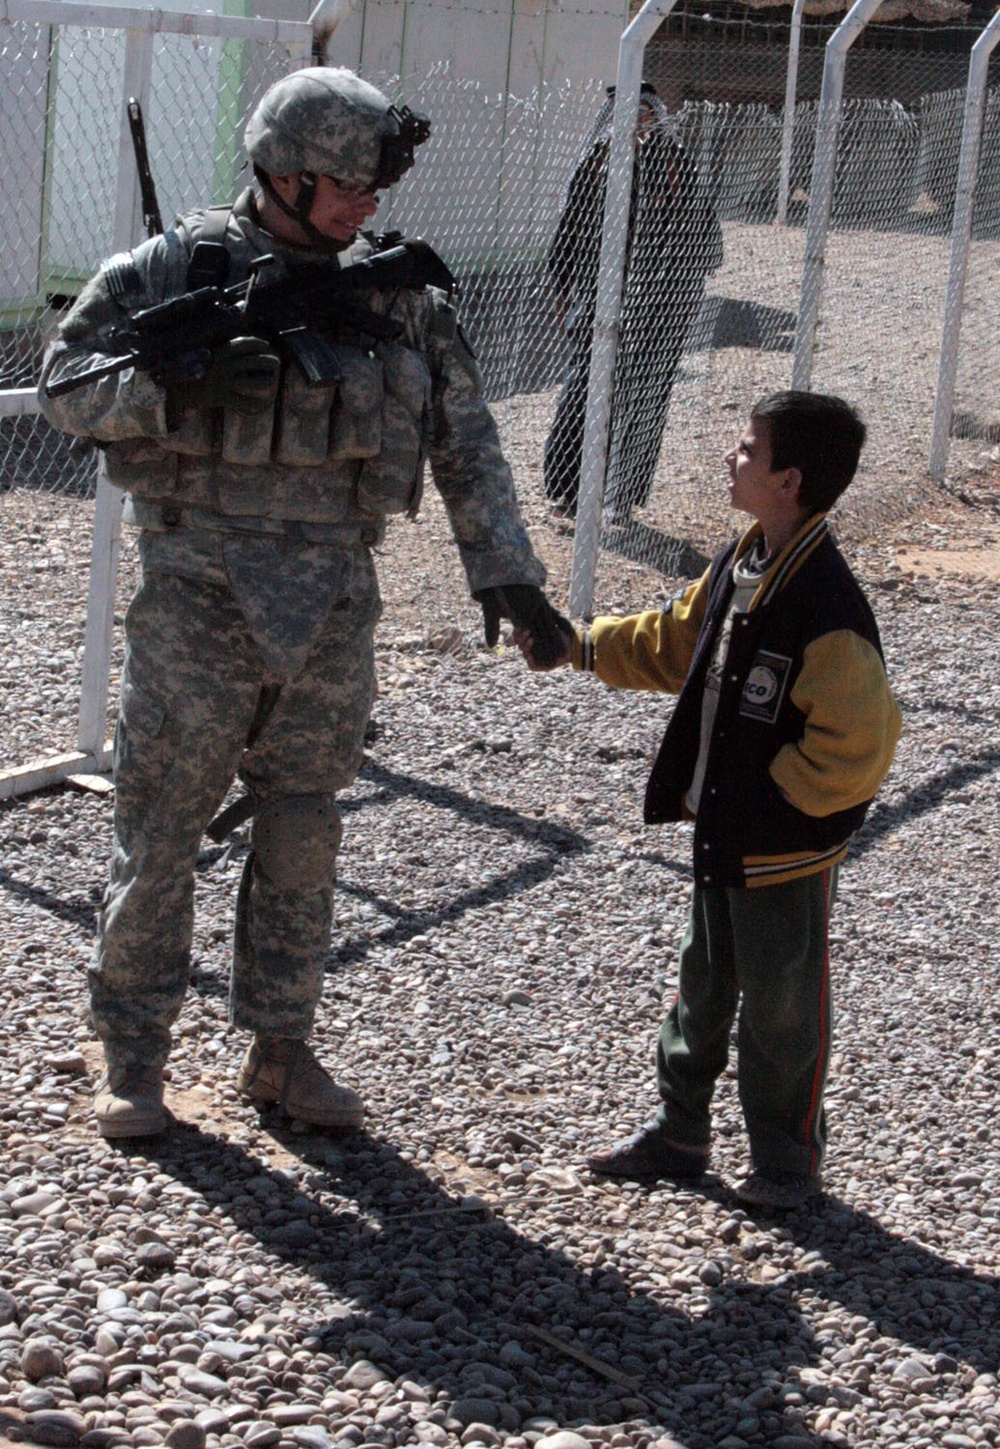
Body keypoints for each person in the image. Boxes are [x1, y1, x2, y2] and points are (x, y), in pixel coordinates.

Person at [39, 66, 568, 1140]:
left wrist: (508, 577)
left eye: (371, 187)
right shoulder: (171, 270)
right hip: (198, 594)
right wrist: (170, 387)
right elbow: (60, 387)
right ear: (282, 174)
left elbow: (466, 444)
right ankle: (133, 1059)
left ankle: (281, 1052)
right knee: (163, 830)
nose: (365, 206)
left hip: (334, 599)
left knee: (304, 831)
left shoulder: (396, 296)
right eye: (343, 185)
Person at [517, 391, 901, 1209]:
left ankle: (787, 1162)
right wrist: (578, 645)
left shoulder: (827, 608)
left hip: (779, 848)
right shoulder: (744, 559)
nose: (731, 457)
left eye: (746, 448)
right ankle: (681, 1130)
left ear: (788, 480)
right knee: (704, 981)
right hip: (726, 832)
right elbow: (676, 640)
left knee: (781, 1005)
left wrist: (775, 803)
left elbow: (861, 744)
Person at [543, 83, 722, 523]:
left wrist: (674, 290)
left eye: (644, 113)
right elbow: (570, 228)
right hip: (599, 296)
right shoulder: (599, 161)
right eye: (628, 113)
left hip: (659, 304)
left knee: (642, 396)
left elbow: (704, 241)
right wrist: (563, 287)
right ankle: (570, 491)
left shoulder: (676, 163)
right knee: (585, 389)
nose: (637, 122)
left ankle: (620, 498)